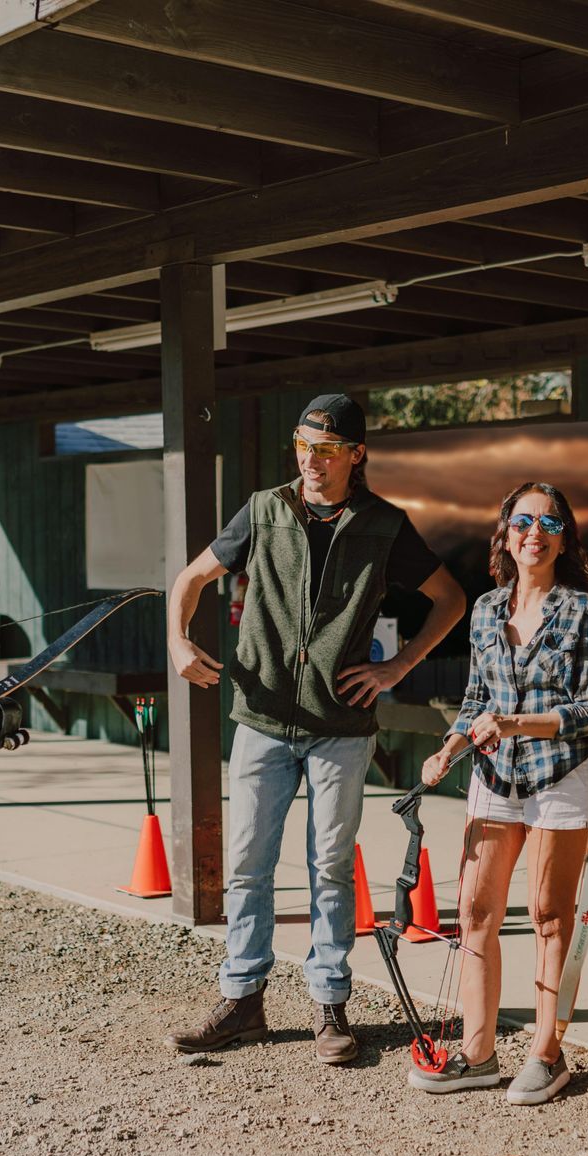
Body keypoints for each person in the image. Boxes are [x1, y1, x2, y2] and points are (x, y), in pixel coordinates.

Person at [164, 393, 466, 1065]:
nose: (311, 460)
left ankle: (331, 1003)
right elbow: (191, 578)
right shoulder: (263, 510)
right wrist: (178, 642)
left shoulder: (385, 525)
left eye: (326, 450)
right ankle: (242, 1001)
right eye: (303, 446)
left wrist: (398, 667)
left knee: (330, 865)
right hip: (263, 719)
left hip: (341, 726)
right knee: (248, 863)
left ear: (356, 454)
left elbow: (451, 599)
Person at [408, 483, 588, 1105]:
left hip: (560, 775)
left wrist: (515, 723)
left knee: (549, 917)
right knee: (475, 914)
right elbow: (476, 699)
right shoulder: (486, 609)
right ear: (506, 533)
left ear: (564, 540)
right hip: (493, 774)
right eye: (523, 521)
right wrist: (448, 748)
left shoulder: (582, 611)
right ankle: (478, 1055)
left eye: (550, 524)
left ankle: (547, 1055)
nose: (535, 533)